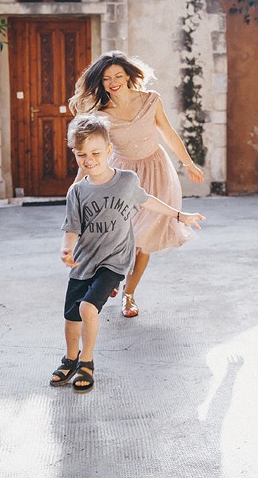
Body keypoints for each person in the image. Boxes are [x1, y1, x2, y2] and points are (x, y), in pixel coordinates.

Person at [51, 115, 204, 392]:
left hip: (114, 262)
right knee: (71, 317)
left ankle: (87, 361)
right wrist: (66, 246)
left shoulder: (125, 181)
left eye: (96, 153)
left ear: (109, 150)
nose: (89, 159)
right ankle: (70, 358)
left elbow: (149, 202)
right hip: (85, 261)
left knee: (87, 308)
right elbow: (71, 227)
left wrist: (179, 215)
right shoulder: (77, 191)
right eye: (82, 154)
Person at [68, 51, 205, 318]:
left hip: (156, 172)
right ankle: (111, 277)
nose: (113, 82)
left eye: (118, 75)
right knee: (118, 234)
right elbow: (91, 152)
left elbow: (168, 132)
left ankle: (128, 295)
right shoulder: (100, 114)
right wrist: (79, 185)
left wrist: (188, 163)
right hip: (122, 175)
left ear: (129, 76)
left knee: (143, 239)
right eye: (107, 78)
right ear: (101, 82)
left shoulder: (151, 101)